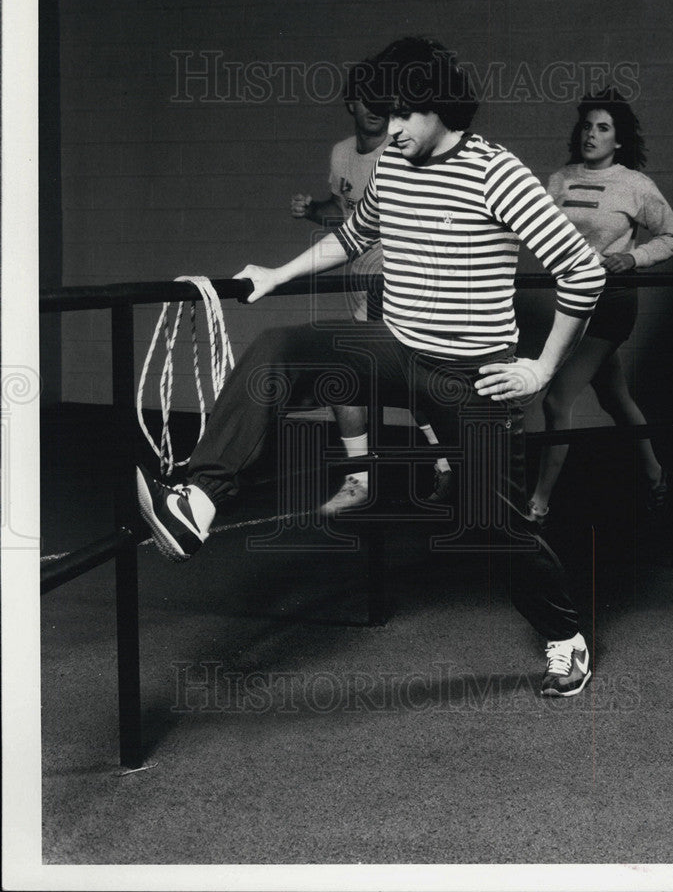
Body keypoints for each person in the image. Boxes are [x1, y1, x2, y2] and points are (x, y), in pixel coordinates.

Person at [136, 36, 607, 698]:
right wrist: (277, 274)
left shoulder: (498, 172)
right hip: (394, 348)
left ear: (440, 107)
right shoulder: (392, 164)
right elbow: (355, 235)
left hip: (473, 375)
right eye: (385, 117)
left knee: (492, 525)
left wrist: (542, 370)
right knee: (280, 347)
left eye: (403, 118)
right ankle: (202, 496)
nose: (389, 131)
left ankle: (565, 639)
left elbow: (581, 269)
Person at [290, 60, 450, 514]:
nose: (378, 108)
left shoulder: (402, 150)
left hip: (399, 284)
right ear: (351, 104)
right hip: (361, 285)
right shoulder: (342, 154)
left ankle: (406, 471)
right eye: (368, 98)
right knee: (374, 379)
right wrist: (314, 210)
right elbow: (348, 220)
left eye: (387, 99)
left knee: (364, 373)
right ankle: (390, 472)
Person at [523, 88, 673, 527]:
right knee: (615, 397)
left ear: (618, 140)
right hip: (570, 301)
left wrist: (633, 257)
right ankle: (656, 475)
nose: (590, 134)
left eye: (603, 128)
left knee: (557, 400)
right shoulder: (560, 179)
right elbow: (535, 229)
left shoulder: (634, 184)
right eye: (586, 126)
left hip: (611, 303)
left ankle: (538, 506)